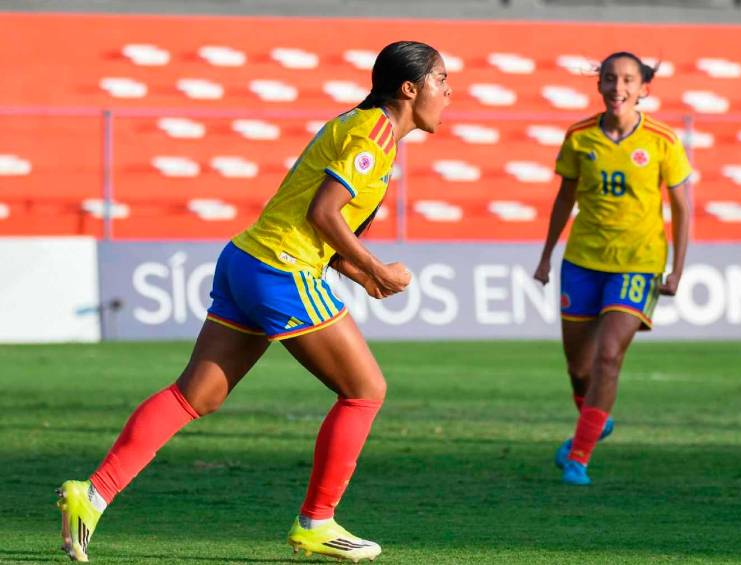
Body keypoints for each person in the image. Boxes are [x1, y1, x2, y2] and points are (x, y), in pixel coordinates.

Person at [57, 40, 452, 562]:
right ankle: (317, 522)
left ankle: (92, 495)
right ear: (409, 88)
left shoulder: (361, 128)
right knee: (365, 391)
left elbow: (317, 222)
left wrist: (359, 274)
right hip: (280, 269)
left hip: (246, 259)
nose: (448, 92)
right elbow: (323, 214)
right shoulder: (373, 134)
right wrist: (377, 268)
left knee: (195, 395)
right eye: (441, 80)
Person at [533, 51, 691, 486]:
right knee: (579, 369)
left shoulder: (662, 140)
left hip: (639, 263)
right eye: (609, 78)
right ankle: (595, 419)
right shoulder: (579, 136)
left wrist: (677, 268)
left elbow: (682, 206)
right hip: (583, 261)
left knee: (608, 356)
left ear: (643, 89)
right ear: (599, 84)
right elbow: (564, 198)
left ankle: (579, 456)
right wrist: (546, 256)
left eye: (627, 80)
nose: (617, 87)